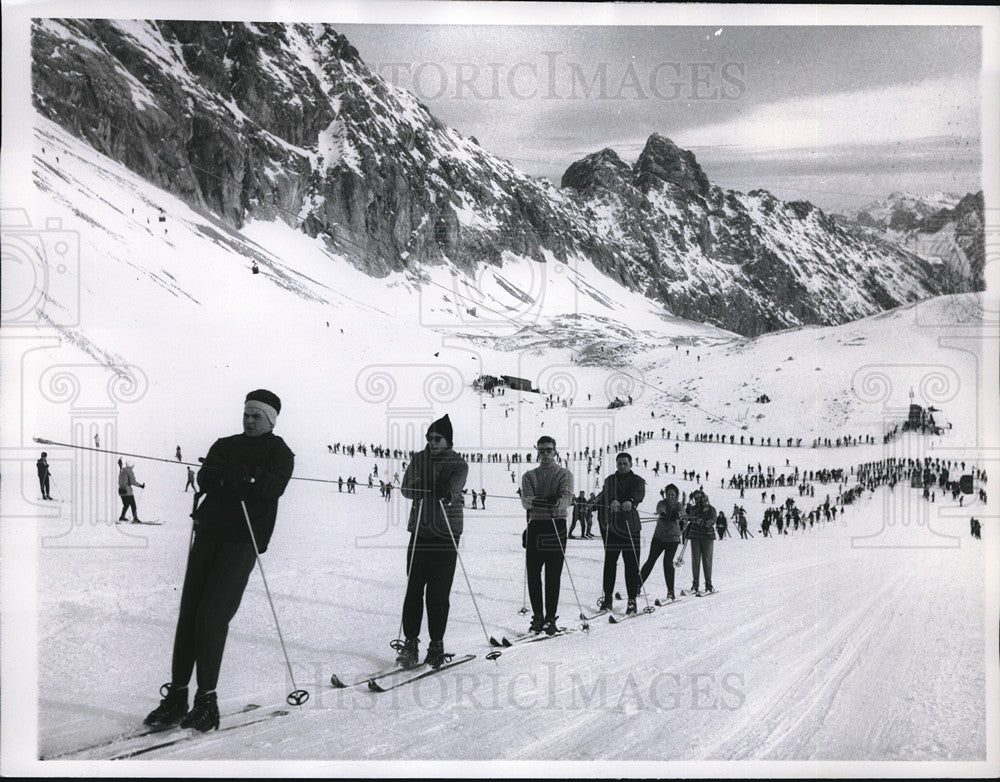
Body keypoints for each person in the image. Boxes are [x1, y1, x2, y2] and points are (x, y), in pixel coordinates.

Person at [143, 389, 294, 732]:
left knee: (212, 616)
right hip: (209, 531)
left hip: (243, 539)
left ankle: (207, 701)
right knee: (190, 614)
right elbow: (206, 477)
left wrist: (242, 476)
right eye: (246, 414)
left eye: (257, 416)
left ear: (270, 419)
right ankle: (178, 696)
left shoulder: (279, 451)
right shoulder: (224, 443)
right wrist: (231, 474)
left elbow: (272, 487)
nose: (249, 420)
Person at [396, 414, 468, 669]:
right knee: (413, 589)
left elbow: (453, 490)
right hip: (420, 531)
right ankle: (410, 643)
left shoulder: (459, 463)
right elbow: (406, 488)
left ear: (448, 440)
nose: (432, 442)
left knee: (438, 594)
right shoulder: (419, 458)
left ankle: (436, 645)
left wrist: (442, 490)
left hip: (446, 533)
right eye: (429, 438)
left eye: (438, 438)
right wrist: (429, 487)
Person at [520, 436, 574, 634]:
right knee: (533, 574)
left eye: (548, 450)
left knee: (553, 574)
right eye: (541, 451)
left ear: (555, 452)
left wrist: (554, 501)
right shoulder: (529, 475)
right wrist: (547, 501)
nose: (545, 454)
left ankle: (550, 617)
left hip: (556, 526)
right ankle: (537, 616)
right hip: (536, 525)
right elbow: (526, 501)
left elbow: (566, 498)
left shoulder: (564, 474)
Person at [594, 453, 645, 614]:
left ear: (630, 464)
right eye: (619, 463)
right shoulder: (610, 480)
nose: (622, 466)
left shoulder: (638, 480)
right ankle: (607, 599)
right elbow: (607, 493)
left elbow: (639, 494)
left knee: (631, 564)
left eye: (625, 463)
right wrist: (612, 500)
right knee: (610, 563)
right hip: (613, 527)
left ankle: (631, 600)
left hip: (631, 527)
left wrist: (631, 500)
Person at [639, 483, 682, 600]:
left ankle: (671, 591)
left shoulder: (678, 505)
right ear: (665, 494)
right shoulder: (661, 503)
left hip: (673, 539)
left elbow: (682, 512)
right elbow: (660, 509)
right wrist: (663, 514)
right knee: (650, 561)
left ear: (676, 495)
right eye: (668, 494)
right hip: (659, 537)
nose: (671, 496)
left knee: (667, 563)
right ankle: (637, 585)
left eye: (673, 494)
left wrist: (676, 515)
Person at [682, 489, 717, 595]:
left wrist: (700, 521)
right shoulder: (693, 509)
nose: (698, 500)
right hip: (695, 536)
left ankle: (708, 584)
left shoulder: (711, 509)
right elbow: (689, 517)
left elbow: (710, 522)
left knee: (707, 560)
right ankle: (695, 584)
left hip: (707, 537)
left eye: (699, 498)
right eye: (696, 498)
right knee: (695, 560)